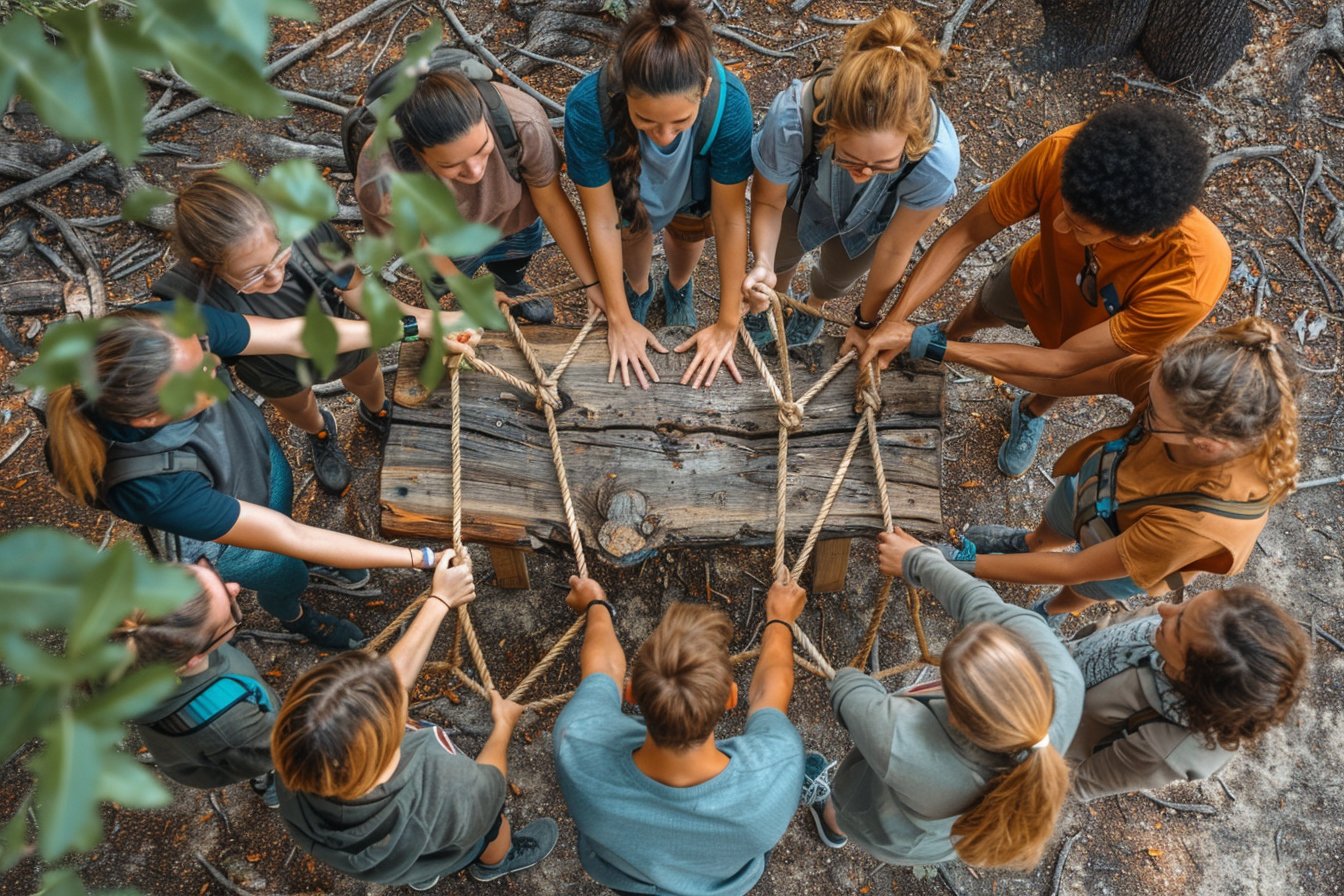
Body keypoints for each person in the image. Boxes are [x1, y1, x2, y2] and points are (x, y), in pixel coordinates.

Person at [44, 301, 475, 648]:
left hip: (250, 458)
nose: (215, 363)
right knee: (284, 573)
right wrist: (422, 559)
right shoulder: (149, 486)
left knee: (283, 501)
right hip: (219, 540)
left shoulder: (164, 330)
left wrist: (419, 327)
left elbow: (294, 334)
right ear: (150, 419)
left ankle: (325, 561)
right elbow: (287, 536)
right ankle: (297, 617)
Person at [857, 102, 1231, 477]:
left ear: (1137, 236)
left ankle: (1030, 410)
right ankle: (951, 332)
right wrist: (896, 320)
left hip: (1092, 335)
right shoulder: (1065, 153)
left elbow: (1064, 364)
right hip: (1036, 275)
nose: (1058, 226)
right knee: (984, 307)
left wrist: (939, 351)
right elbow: (967, 234)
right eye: (1064, 207)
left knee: (1056, 383)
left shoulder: (1189, 279)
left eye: (1080, 227)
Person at [937, 317, 1300, 619]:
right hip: (1096, 487)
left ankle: (1050, 612)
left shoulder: (1200, 525)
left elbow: (1075, 569)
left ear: (1205, 444)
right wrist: (949, 352)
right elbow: (1059, 377)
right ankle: (1031, 544)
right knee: (1053, 528)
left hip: (1133, 555)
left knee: (1083, 589)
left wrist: (961, 565)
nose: (1144, 408)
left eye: (1153, 414)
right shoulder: (1179, 383)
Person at [272, 551, 557, 889]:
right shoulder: (445, 786)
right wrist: (503, 727)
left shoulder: (298, 770)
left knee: (419, 856)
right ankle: (493, 864)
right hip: (451, 832)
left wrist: (439, 601)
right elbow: (491, 785)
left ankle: (423, 871)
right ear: (391, 735)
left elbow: (386, 686)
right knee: (493, 830)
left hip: (395, 858)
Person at [161, 173, 458, 495]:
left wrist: (435, 323)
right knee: (298, 407)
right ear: (205, 265)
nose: (275, 275)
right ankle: (320, 433)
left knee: (366, 377)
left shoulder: (307, 232)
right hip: (270, 367)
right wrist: (421, 327)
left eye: (280, 254)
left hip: (350, 338)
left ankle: (376, 410)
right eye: (254, 274)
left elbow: (359, 291)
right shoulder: (188, 298)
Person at [802, 528, 1082, 870]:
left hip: (889, 829)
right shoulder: (1062, 676)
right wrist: (916, 559)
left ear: (955, 716)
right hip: (941, 838)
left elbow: (848, 690)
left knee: (848, 811)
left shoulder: (902, 741)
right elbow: (978, 602)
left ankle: (833, 823)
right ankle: (836, 823)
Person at [553, 571, 805, 895]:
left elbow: (602, 669)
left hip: (628, 879)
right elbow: (771, 691)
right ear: (731, 697)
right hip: (725, 883)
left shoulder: (576, 744)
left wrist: (596, 604)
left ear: (631, 694)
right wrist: (780, 620)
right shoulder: (776, 768)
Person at [564, 0, 755, 390]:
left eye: (680, 121)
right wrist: (617, 317)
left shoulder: (730, 105)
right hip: (629, 191)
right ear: (625, 94)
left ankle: (678, 286)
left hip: (694, 193)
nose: (664, 135)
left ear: (703, 89)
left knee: (689, 236)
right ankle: (637, 291)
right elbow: (602, 218)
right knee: (631, 236)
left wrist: (727, 323)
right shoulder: (589, 107)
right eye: (646, 120)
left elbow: (730, 218)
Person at [742, 9, 959, 350]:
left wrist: (865, 321)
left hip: (871, 222)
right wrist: (762, 264)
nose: (864, 173)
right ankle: (772, 303)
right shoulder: (793, 117)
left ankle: (814, 306)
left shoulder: (935, 161)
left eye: (884, 164)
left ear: (911, 140)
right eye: (849, 158)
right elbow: (769, 200)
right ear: (831, 125)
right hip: (803, 196)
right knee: (780, 256)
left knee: (838, 277)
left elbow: (895, 248)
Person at [354, 65, 607, 325]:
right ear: (416, 152)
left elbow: (551, 203)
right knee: (445, 278)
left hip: (515, 219)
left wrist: (593, 283)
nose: (475, 171)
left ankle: (510, 284)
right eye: (451, 165)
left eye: (483, 148)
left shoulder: (522, 121)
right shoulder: (382, 177)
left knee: (515, 259)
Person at [1065, 586, 1310, 800]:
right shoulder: (1198, 627)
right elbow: (1119, 627)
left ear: (1194, 677)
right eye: (1188, 605)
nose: (1165, 610)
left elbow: (1076, 783)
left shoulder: (1167, 747)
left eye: (1179, 627)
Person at [115, 557, 280, 807]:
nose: (234, 586)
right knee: (264, 764)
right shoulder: (228, 723)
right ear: (192, 658)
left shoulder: (129, 641)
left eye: (204, 569)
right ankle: (269, 784)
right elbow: (271, 751)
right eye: (230, 611)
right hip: (238, 749)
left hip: (199, 742)